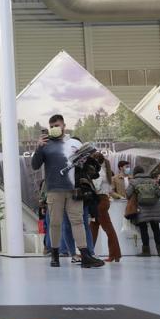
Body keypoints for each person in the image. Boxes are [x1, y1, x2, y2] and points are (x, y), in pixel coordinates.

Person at [31, 114, 104, 268]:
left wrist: (85, 159)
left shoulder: (75, 143)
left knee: (77, 222)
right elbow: (35, 165)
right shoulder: (45, 145)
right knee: (55, 223)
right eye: (51, 127)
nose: (54, 129)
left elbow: (88, 166)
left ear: (64, 125)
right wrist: (38, 148)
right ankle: (55, 256)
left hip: (74, 189)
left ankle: (85, 256)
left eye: (56, 125)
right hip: (54, 189)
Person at [126, 166, 160, 257]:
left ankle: (146, 251)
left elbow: (128, 194)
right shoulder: (153, 181)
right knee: (156, 229)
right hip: (155, 208)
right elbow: (159, 194)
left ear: (135, 173)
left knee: (143, 229)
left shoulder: (133, 181)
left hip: (142, 209)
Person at [90, 152, 122, 262]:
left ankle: (114, 254)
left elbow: (96, 187)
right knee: (93, 228)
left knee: (107, 229)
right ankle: (89, 253)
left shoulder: (99, 172)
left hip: (99, 201)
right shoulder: (106, 172)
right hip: (102, 200)